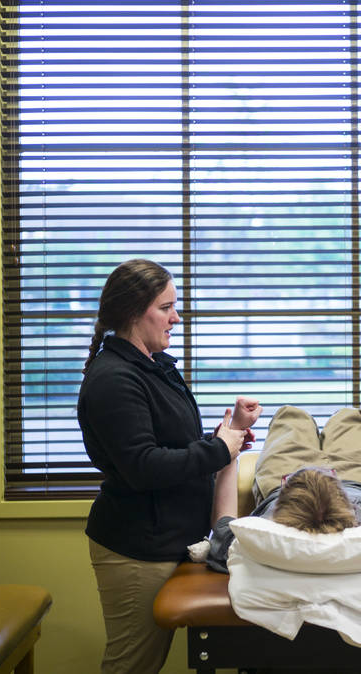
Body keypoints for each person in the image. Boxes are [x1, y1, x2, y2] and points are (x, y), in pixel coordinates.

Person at [77, 258, 261, 673]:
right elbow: (143, 465)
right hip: (136, 550)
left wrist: (226, 436)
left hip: (166, 541)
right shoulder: (114, 379)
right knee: (133, 665)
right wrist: (218, 449)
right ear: (133, 311)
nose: (176, 318)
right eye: (166, 307)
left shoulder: (152, 367)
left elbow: (170, 446)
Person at [203, 403, 361, 574]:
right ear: (349, 506)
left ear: (281, 509)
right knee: (350, 417)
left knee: (289, 415)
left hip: (283, 475)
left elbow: (222, 522)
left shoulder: (257, 537)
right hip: (358, 478)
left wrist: (231, 443)